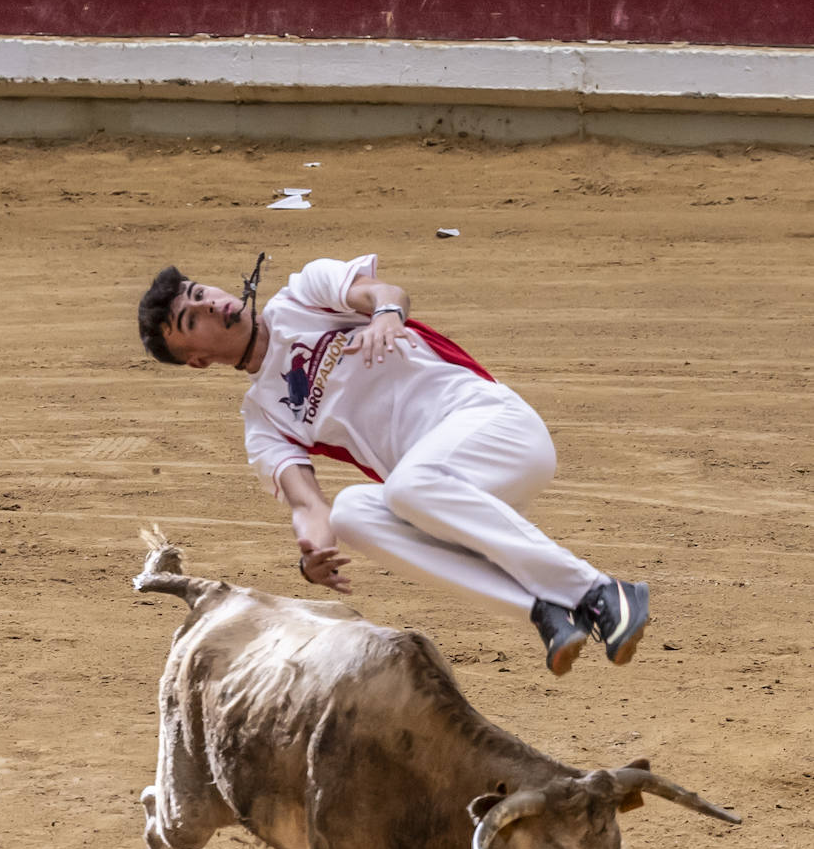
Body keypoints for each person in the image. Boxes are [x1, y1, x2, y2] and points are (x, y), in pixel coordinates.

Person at [137, 252, 649, 676]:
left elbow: (386, 293)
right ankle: (546, 611)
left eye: (201, 293)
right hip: (444, 492)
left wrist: (386, 315)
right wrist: (311, 555)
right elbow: (307, 504)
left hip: (494, 426)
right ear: (197, 360)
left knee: (408, 485)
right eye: (192, 318)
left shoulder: (302, 294)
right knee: (352, 514)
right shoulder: (263, 419)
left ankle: (600, 591)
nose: (211, 305)